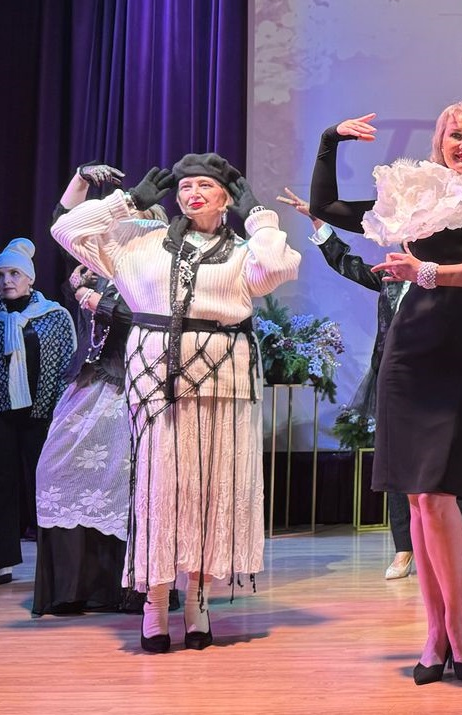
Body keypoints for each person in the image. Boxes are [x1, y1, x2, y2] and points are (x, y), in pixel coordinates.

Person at [309, 103, 462, 684]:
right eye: (455, 135)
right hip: (409, 359)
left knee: (439, 497)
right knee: (416, 501)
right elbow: (326, 208)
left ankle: (456, 622)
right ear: (439, 143)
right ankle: (436, 632)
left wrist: (429, 273)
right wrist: (330, 140)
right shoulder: (416, 199)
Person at [51, 153, 300, 652]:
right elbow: (66, 230)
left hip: (225, 382)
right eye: (185, 186)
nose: (193, 193)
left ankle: (198, 601)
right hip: (156, 380)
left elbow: (276, 267)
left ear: (226, 198)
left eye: (206, 185)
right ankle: (155, 602)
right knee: (160, 488)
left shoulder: (243, 252)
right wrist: (129, 201)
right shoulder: (139, 239)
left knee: (211, 491)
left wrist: (259, 216)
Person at [276, 187, 462, 583]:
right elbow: (346, 263)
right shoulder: (391, 278)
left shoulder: (448, 276)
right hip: (398, 380)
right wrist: (320, 221)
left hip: (445, 380)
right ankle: (404, 548)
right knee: (399, 466)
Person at [33, 164, 165, 616]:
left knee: (127, 485)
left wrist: (98, 301)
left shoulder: (156, 268)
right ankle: (70, 588)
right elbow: (61, 224)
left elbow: (153, 316)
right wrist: (82, 179)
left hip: (133, 386)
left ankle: (126, 589)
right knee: (55, 471)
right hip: (89, 386)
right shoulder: (102, 262)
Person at [0, 238, 77, 587]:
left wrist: (61, 410)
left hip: (41, 411)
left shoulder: (54, 315)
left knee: (46, 485)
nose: (6, 280)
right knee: (0, 482)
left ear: (30, 278)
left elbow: (67, 366)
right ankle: (3, 562)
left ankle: (53, 560)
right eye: (0, 275)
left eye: (14, 273)